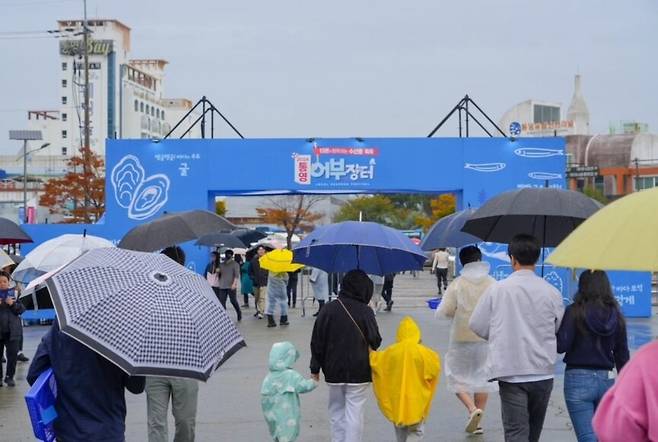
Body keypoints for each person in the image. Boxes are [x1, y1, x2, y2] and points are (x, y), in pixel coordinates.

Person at [469, 234, 564, 442]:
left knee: (515, 433)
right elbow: (558, 326)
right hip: (542, 371)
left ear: (512, 259)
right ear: (537, 259)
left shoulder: (497, 289)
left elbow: (476, 323)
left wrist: (497, 336)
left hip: (510, 372)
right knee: (533, 432)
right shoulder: (551, 292)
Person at [28, 321, 146, 441]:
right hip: (108, 431)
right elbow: (136, 387)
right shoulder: (122, 332)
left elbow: (34, 375)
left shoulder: (61, 325)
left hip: (68, 431)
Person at [557, 270, 629, 442]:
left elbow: (562, 346)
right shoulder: (616, 315)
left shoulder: (574, 311)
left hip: (578, 379)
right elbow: (622, 355)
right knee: (604, 435)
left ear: (582, 287)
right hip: (607, 379)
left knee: (587, 437)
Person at [310, 269, 382, 442]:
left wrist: (315, 368)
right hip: (359, 370)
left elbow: (317, 341)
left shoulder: (328, 309)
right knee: (355, 411)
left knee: (336, 409)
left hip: (333, 369)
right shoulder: (365, 311)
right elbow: (375, 341)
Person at [435, 246, 497, 435]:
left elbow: (444, 312)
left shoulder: (458, 284)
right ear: (480, 259)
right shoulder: (493, 283)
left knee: (455, 376)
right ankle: (478, 422)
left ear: (462, 262)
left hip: (461, 338)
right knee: (482, 378)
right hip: (486, 338)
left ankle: (471, 409)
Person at [147, 246, 199, 442]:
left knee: (185, 421)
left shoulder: (193, 288)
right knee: (156, 422)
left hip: (186, 366)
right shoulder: (148, 290)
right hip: (154, 366)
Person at [370, 317, 440, 441]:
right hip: (417, 401)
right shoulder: (425, 353)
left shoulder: (391, 352)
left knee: (400, 431)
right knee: (416, 431)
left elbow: (376, 361)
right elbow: (434, 368)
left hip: (397, 403)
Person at [592, 340, 658, 441]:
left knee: (587, 434)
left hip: (578, 376)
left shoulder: (648, 359)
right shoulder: (616, 323)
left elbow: (616, 431)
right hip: (607, 375)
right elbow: (621, 352)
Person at [261, 341, 317, 442]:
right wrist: (314, 382)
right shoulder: (290, 375)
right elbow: (303, 386)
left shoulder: (268, 378)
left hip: (271, 414)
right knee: (288, 434)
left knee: (277, 433)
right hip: (287, 413)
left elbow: (264, 398)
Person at [0, 271, 24, 387]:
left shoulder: (14, 294)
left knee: (12, 355)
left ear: (8, 283)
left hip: (12, 331)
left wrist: (12, 304)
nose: (2, 284)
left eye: (4, 281)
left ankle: (9, 377)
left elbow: (21, 310)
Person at [218, 249, 242, 322]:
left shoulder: (235, 264)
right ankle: (224, 316)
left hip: (231, 286)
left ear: (231, 255)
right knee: (222, 301)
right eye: (226, 254)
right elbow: (218, 273)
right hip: (222, 285)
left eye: (229, 255)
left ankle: (238, 312)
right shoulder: (221, 264)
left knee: (233, 301)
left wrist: (234, 284)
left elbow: (236, 275)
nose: (227, 256)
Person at [249, 246, 269, 319]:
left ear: (265, 251)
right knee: (257, 298)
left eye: (262, 250)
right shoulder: (253, 261)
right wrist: (253, 278)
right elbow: (250, 272)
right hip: (255, 283)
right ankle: (258, 310)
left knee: (262, 298)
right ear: (257, 251)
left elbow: (269, 270)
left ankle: (261, 312)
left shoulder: (267, 260)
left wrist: (266, 277)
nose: (261, 251)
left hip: (264, 282)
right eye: (259, 250)